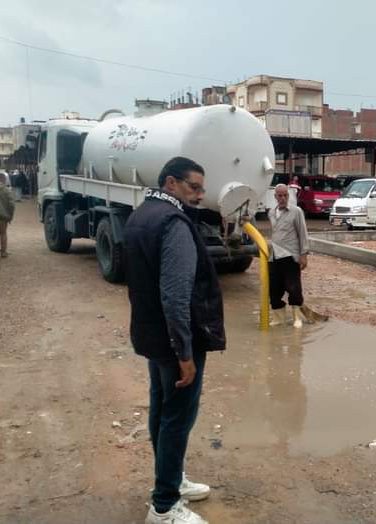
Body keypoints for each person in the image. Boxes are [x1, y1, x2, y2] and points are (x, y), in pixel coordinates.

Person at [124, 157, 225, 524]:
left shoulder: (141, 215)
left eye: (202, 188)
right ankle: (165, 505)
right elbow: (176, 295)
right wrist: (184, 352)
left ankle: (171, 479)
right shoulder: (174, 223)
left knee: (161, 410)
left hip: (153, 334)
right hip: (177, 340)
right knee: (177, 419)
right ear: (171, 183)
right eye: (193, 187)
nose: (200, 195)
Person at [269, 183, 309, 328]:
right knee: (274, 288)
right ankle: (279, 318)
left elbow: (302, 233)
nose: (282, 198)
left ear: (288, 196)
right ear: (275, 197)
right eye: (279, 195)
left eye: (285, 195)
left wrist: (303, 254)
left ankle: (297, 317)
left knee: (293, 288)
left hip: (290, 255)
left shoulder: (296, 211)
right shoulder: (271, 213)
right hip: (274, 255)